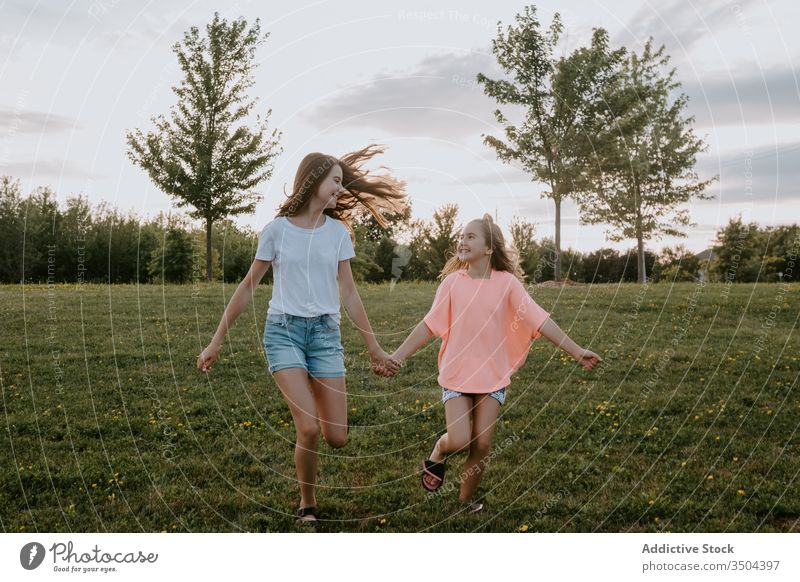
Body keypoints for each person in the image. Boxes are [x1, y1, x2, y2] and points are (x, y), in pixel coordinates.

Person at [196, 145, 405, 523]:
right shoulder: (276, 231)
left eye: (342, 182)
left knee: (337, 436)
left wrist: (373, 346)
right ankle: (307, 504)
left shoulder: (338, 233)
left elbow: (349, 293)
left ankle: (310, 394)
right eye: (335, 181)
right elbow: (247, 287)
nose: (340, 189)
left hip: (325, 336)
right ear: (313, 180)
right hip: (284, 333)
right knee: (307, 428)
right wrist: (216, 341)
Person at [388, 214, 601, 512]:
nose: (463, 241)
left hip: (492, 376)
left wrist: (577, 351)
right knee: (460, 439)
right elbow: (429, 325)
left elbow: (539, 319)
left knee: (483, 445)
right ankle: (439, 450)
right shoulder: (452, 284)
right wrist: (398, 355)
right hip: (457, 374)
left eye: (471, 236)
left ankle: (464, 502)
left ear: (489, 248)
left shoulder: (508, 284)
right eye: (462, 236)